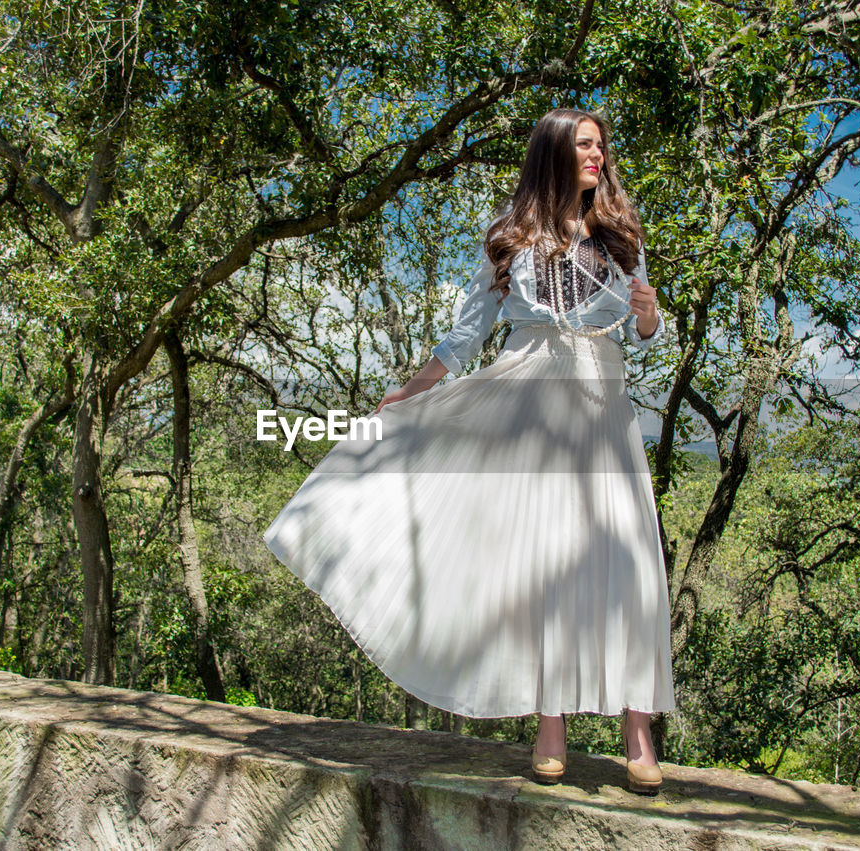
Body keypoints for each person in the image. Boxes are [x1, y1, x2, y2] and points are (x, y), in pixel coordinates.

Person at [263, 107, 674, 793]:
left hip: (605, 411)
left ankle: (638, 729)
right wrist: (408, 392)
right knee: (549, 565)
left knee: (629, 561)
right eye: (583, 145)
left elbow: (646, 334)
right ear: (552, 154)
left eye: (602, 145)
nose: (598, 155)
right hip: (528, 409)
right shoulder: (511, 240)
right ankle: (551, 724)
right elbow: (464, 338)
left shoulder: (622, 236)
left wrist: (649, 315)